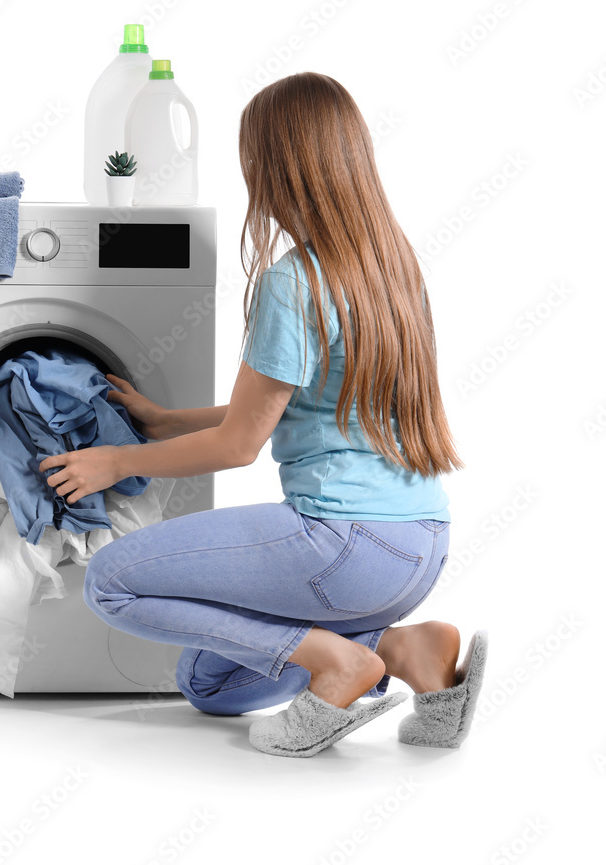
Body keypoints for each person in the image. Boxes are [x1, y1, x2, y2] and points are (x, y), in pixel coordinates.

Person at [39, 71, 488, 758]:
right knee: (212, 685)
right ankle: (400, 647)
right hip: (420, 545)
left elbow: (240, 445)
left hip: (341, 544)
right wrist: (165, 420)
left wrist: (116, 461)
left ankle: (340, 663)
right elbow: (292, 403)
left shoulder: (293, 280)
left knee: (111, 583)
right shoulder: (391, 267)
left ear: (276, 167)